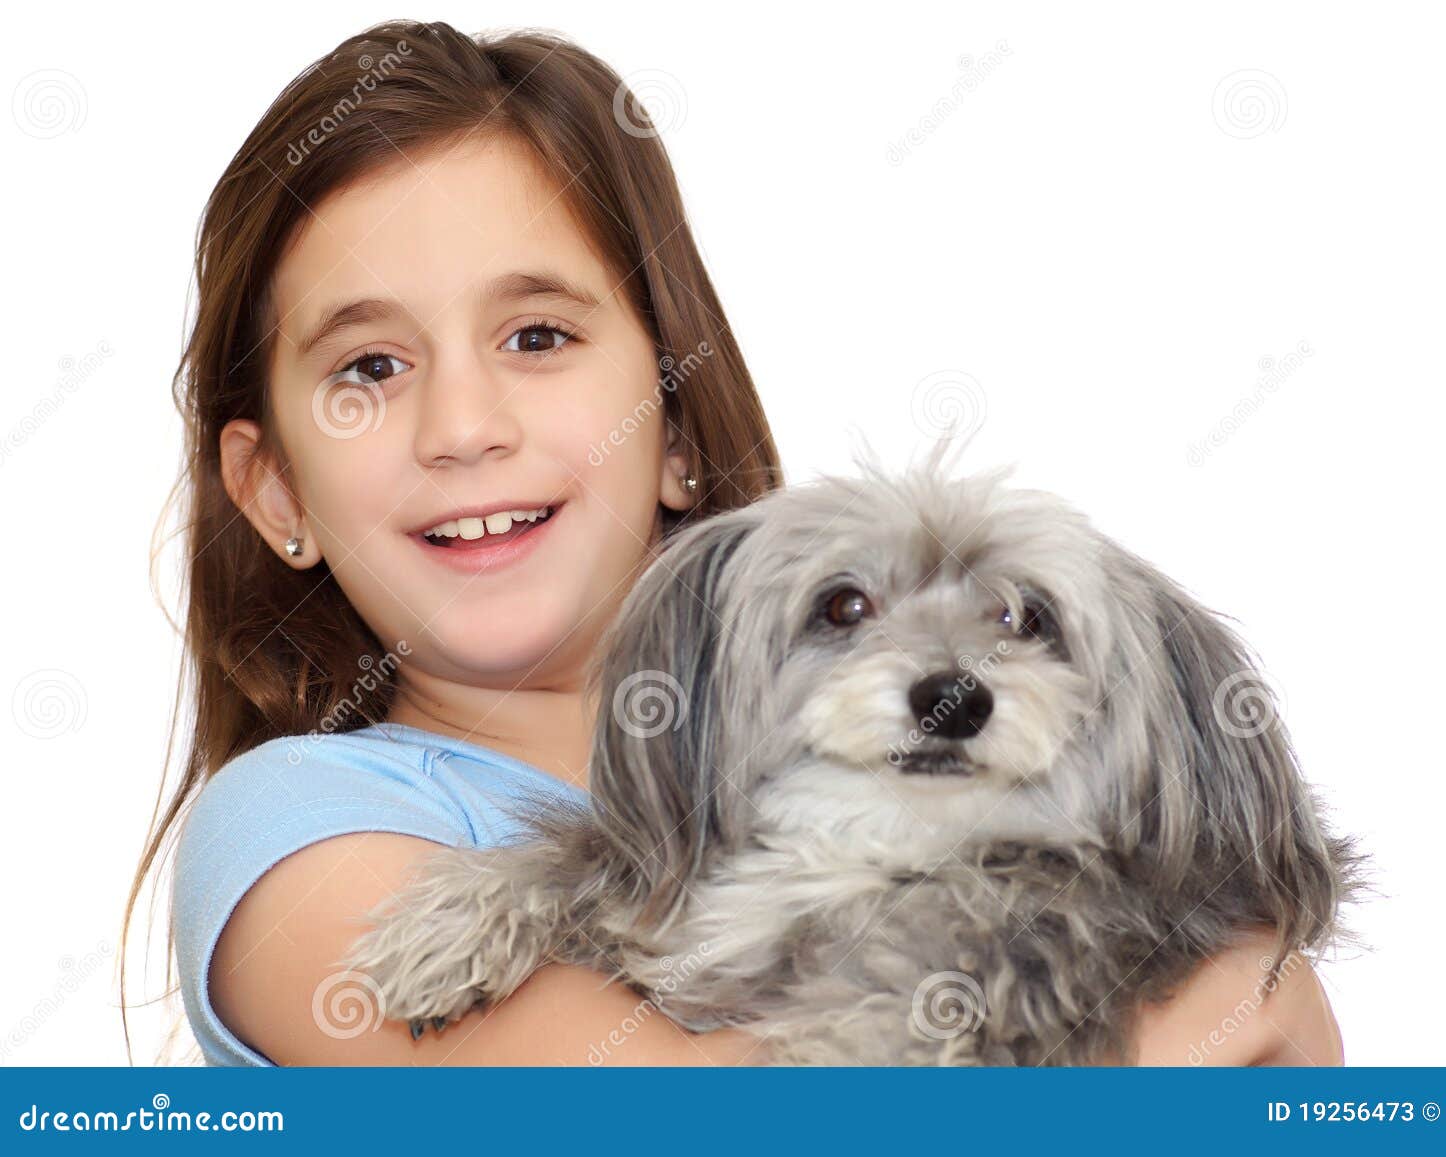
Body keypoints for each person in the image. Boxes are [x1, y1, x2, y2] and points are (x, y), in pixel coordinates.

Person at [122, 19, 1343, 1067]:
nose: (464, 427)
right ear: (274, 491)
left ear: (675, 431)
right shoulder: (294, 832)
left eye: (537, 336)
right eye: (370, 367)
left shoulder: (872, 780)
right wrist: (1210, 1017)